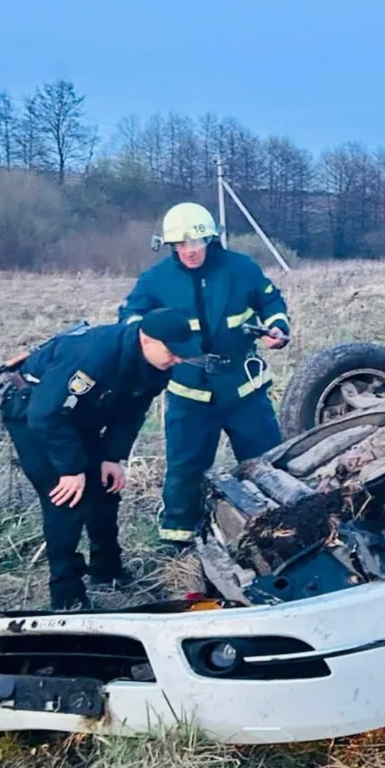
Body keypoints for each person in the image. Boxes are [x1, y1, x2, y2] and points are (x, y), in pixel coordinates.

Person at [0, 309, 198, 610]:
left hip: (75, 414)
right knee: (66, 499)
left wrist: (111, 456)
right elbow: (45, 415)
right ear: (146, 339)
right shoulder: (93, 356)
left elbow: (132, 411)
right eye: (172, 352)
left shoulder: (157, 365)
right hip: (33, 412)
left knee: (104, 489)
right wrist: (70, 469)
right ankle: (67, 594)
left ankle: (107, 570)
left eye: (181, 354)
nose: (177, 360)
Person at [119, 203, 292, 549]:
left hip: (245, 392)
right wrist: (149, 341)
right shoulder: (155, 280)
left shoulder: (241, 269)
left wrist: (277, 327)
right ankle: (179, 540)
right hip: (189, 395)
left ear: (210, 240)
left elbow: (272, 304)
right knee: (185, 469)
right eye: (180, 246)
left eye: (195, 245)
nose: (188, 252)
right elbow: (130, 317)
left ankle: (283, 531)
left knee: (267, 465)